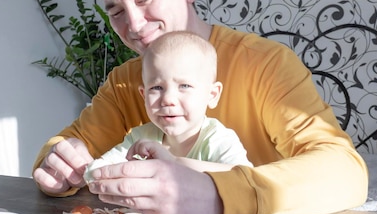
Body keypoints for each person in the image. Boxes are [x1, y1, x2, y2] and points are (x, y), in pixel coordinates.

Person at [32, 0, 368, 214]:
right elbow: (65, 147)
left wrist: (218, 196)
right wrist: (59, 162)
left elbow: (346, 173)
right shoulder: (123, 83)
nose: (133, 24)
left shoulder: (265, 63)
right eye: (116, 11)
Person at [83, 31, 252, 183]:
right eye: (156, 88)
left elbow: (245, 178)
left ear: (212, 95)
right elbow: (104, 167)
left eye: (184, 86)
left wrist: (174, 164)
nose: (168, 99)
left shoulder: (217, 139)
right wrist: (91, 171)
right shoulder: (140, 137)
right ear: (143, 95)